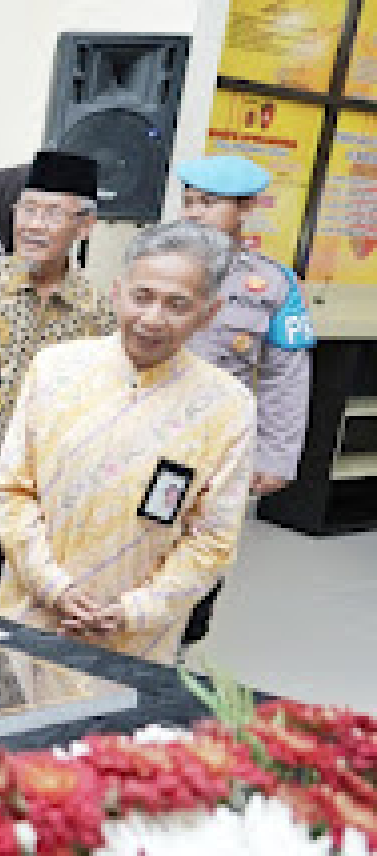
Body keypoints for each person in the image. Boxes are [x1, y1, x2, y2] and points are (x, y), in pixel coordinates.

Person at [0, 220, 255, 666]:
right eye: (142, 297)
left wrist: (133, 611)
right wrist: (54, 586)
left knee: (108, 735)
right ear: (117, 292)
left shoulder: (227, 406)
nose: (152, 319)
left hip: (138, 637)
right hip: (31, 609)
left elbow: (213, 537)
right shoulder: (55, 371)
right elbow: (11, 491)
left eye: (177, 305)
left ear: (209, 313)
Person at [174, 154, 316, 650]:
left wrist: (277, 456)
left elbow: (286, 375)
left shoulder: (273, 284)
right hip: (146, 434)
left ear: (246, 208)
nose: (194, 213)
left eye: (208, 204)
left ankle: (179, 654)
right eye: (189, 202)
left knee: (205, 555)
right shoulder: (156, 260)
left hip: (219, 447)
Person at [0, 151, 116, 600]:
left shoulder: (101, 312)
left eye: (51, 213)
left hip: (46, 509)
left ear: (85, 226)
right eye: (27, 209)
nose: (33, 224)